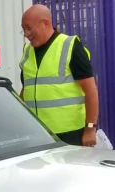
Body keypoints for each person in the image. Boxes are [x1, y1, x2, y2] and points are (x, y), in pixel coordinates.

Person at [19, 4, 99, 147]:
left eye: (29, 27)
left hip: (70, 135)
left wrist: (90, 129)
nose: (26, 34)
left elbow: (91, 91)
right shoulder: (27, 53)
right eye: (23, 29)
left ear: (45, 23)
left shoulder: (70, 46)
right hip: (38, 134)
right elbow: (25, 91)